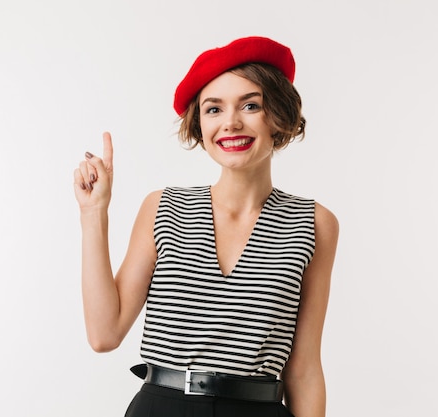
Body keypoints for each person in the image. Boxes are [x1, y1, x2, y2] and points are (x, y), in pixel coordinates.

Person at [73, 36, 339, 417]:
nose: (230, 122)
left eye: (250, 105)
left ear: (279, 116)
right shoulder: (163, 207)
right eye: (213, 109)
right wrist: (93, 213)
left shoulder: (314, 223)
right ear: (200, 124)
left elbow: (305, 369)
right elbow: (104, 334)